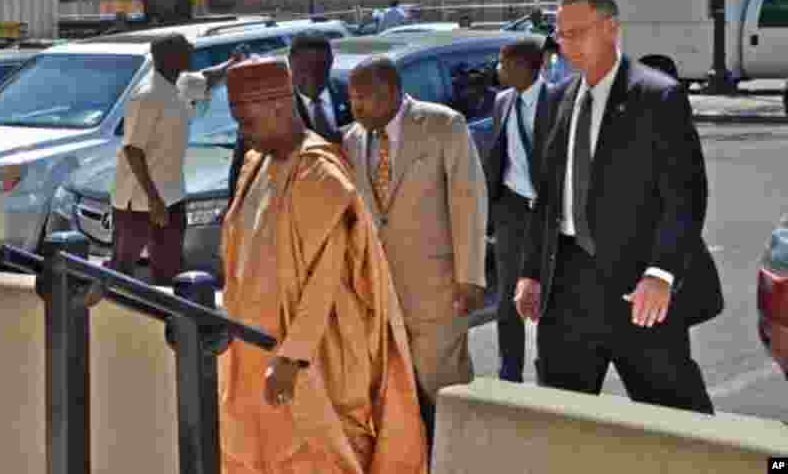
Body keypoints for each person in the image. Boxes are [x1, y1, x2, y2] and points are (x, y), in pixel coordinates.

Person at [219, 57, 428, 474]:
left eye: (247, 123)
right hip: (253, 349)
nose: (243, 134)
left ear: (279, 108)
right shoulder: (257, 164)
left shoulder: (320, 172)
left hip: (311, 361)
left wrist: (292, 357)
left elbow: (326, 278)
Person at [514, 0, 716, 414]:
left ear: (610, 29)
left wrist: (661, 273)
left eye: (577, 32)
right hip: (566, 290)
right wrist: (531, 272)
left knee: (677, 418)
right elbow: (546, 199)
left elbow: (685, 195)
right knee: (561, 420)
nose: (566, 44)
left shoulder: (657, 96)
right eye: (561, 35)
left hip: (637, 288)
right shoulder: (555, 100)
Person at [341, 56, 488, 446]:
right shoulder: (352, 139)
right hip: (379, 291)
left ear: (389, 92)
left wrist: (470, 276)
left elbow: (468, 200)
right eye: (351, 98)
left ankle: (460, 458)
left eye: (362, 98)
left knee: (442, 385)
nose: (354, 107)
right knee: (395, 392)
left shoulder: (442, 125)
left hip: (438, 287)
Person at [112, 33, 240, 285]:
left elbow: (208, 78)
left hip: (171, 194)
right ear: (170, 57)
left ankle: (168, 319)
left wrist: (231, 64)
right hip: (139, 201)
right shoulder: (147, 94)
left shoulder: (179, 82)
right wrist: (154, 200)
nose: (192, 49)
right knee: (122, 269)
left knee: (170, 268)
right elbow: (132, 150)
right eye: (186, 47)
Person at [484, 40, 560, 382]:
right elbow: (499, 157)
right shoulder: (502, 102)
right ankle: (509, 371)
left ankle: (551, 369)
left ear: (524, 68)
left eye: (503, 64)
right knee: (506, 300)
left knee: (550, 295)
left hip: (549, 214)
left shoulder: (558, 102)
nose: (498, 70)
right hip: (512, 212)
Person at [227, 32, 352, 200]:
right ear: (291, 64)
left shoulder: (352, 95)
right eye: (305, 68)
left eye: (320, 67)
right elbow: (242, 172)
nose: (312, 75)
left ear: (331, 62)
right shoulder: (268, 108)